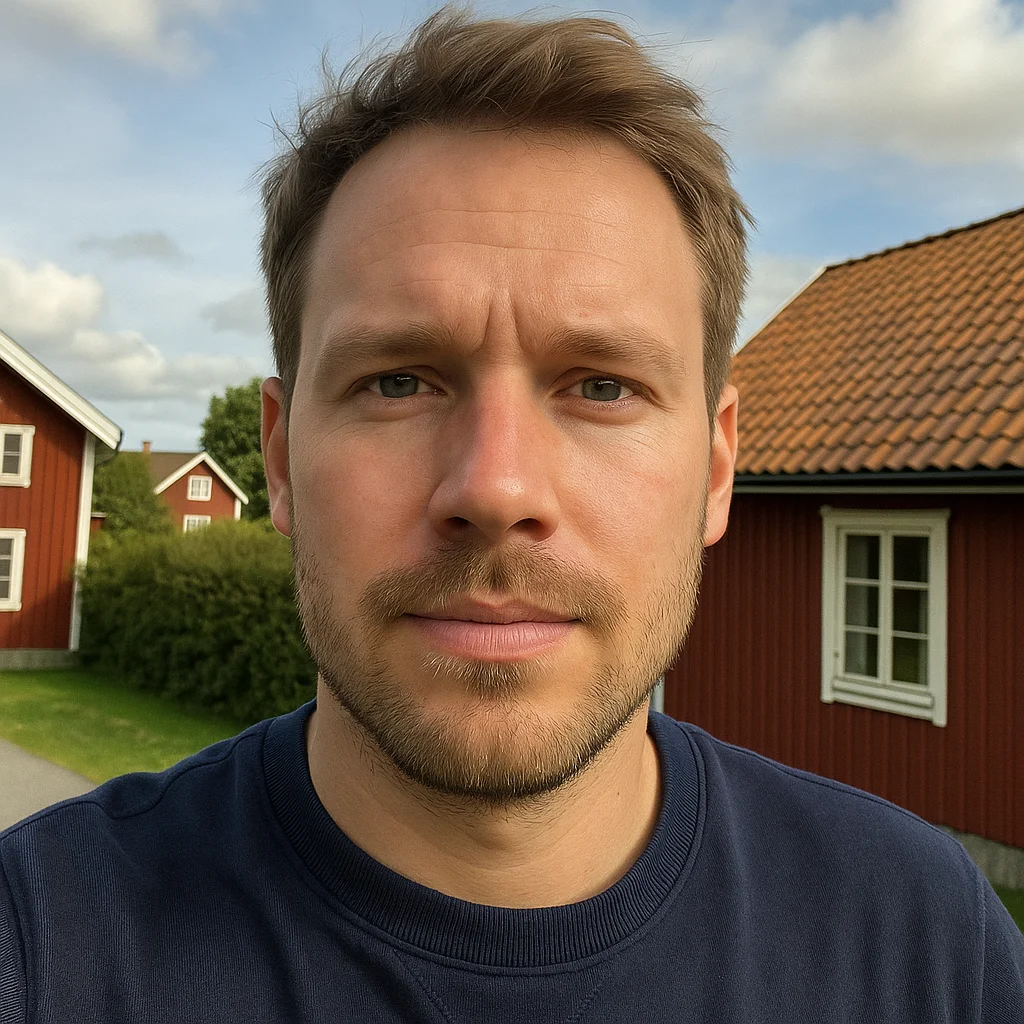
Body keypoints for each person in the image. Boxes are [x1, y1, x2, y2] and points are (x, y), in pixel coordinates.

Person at [2, 8, 1022, 1021]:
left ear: (716, 468)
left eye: (602, 386)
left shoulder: (930, 945)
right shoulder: (39, 945)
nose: (496, 490)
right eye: (398, 382)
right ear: (279, 459)